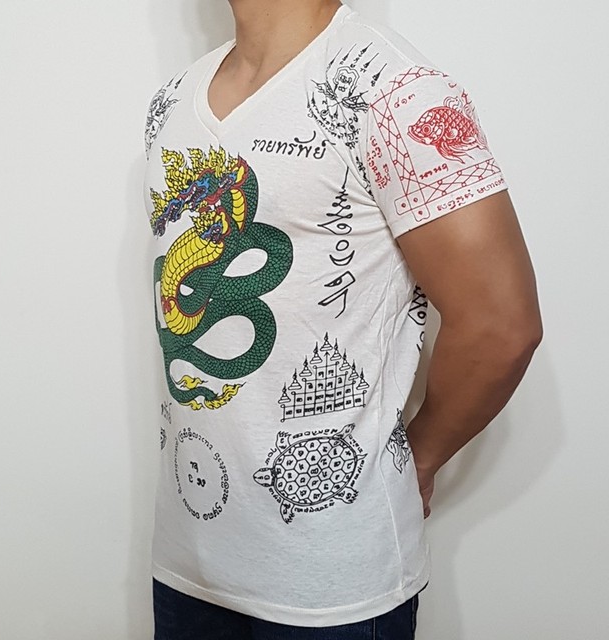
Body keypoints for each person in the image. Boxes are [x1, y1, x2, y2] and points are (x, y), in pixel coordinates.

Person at [142, 0, 542, 637]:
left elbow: (501, 326)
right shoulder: (172, 101)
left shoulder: (396, 92)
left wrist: (420, 458)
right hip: (189, 559)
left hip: (333, 587)